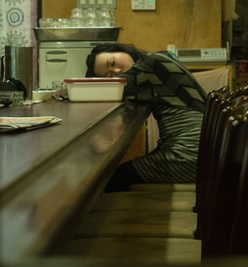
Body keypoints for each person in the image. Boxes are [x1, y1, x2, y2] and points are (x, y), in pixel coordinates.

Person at [85, 43, 207, 192]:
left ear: (122, 50)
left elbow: (103, 90)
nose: (116, 71)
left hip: (188, 155)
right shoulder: (158, 60)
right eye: (109, 75)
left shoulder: (152, 64)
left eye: (112, 63)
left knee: (108, 180)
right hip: (201, 151)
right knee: (116, 176)